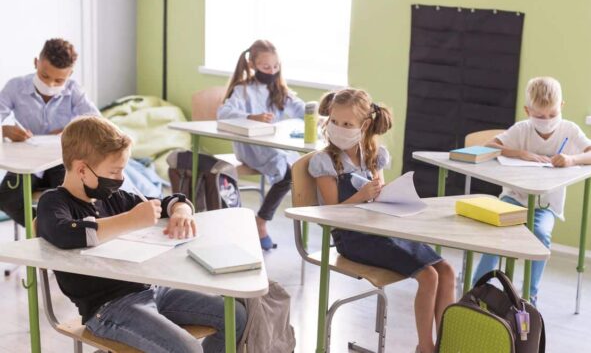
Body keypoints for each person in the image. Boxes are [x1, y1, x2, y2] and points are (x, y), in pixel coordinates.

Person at [37, 116, 246, 353]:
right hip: (107, 309)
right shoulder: (53, 202)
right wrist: (131, 220)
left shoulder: (113, 198)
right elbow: (66, 233)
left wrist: (181, 211)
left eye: (123, 170)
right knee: (187, 349)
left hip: (152, 290)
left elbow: (170, 201)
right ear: (82, 169)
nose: (121, 179)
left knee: (235, 316)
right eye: (114, 171)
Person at [308, 88, 455, 353]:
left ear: (364, 126)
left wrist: (385, 195)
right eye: (334, 122)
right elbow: (331, 214)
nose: (339, 128)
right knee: (429, 277)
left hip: (381, 228)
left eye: (347, 124)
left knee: (446, 271)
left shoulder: (374, 156)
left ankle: (447, 345)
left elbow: (381, 199)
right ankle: (426, 347)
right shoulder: (325, 161)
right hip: (353, 238)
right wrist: (362, 195)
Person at [472, 76, 591, 307]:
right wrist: (520, 153)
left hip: (545, 206)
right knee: (498, 232)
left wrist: (571, 159)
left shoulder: (569, 129)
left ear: (561, 107)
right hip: (513, 199)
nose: (546, 121)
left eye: (552, 114)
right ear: (528, 110)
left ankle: (530, 295)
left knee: (541, 235)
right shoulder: (522, 130)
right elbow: (488, 146)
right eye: (539, 116)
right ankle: (477, 288)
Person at [0, 38, 99, 226]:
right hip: (27, 161)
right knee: (6, 198)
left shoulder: (74, 90)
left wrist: (69, 130)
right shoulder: (15, 87)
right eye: (45, 76)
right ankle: (45, 230)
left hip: (61, 160)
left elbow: (97, 123)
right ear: (36, 63)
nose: (51, 84)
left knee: (69, 200)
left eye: (59, 80)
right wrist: (4, 129)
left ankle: (60, 231)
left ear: (70, 74)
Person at [217, 39, 305, 250]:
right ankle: (261, 222)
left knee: (300, 169)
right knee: (288, 174)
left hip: (277, 147)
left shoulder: (280, 90)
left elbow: (300, 108)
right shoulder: (243, 90)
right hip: (251, 149)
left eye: (275, 67)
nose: (271, 71)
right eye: (266, 67)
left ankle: (261, 221)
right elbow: (224, 114)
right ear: (252, 65)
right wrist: (251, 116)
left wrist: (317, 115)